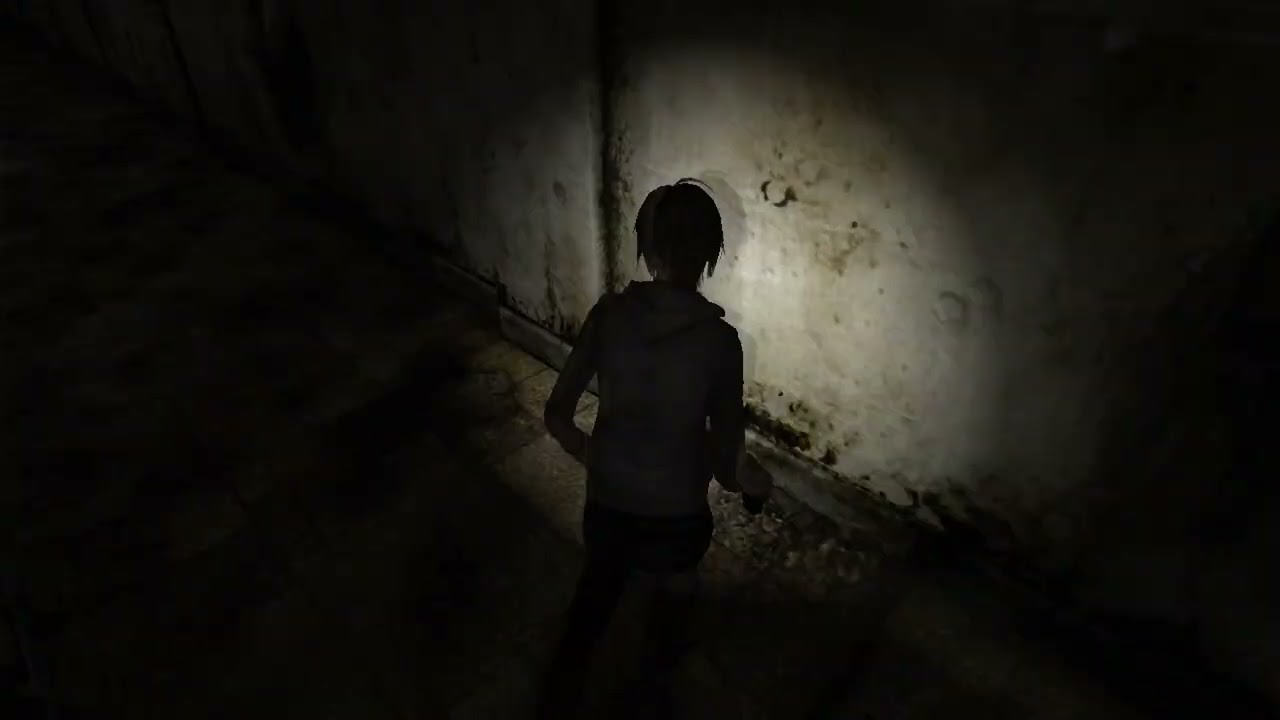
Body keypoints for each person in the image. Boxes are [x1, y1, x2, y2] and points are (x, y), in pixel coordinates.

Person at [534, 180, 773, 717]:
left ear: (647, 244)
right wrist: (755, 481)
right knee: (678, 588)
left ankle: (560, 688)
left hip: (607, 506)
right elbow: (727, 465)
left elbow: (556, 415)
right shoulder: (721, 343)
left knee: (598, 588)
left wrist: (597, 457)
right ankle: (653, 683)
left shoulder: (608, 315)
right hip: (676, 519)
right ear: (711, 252)